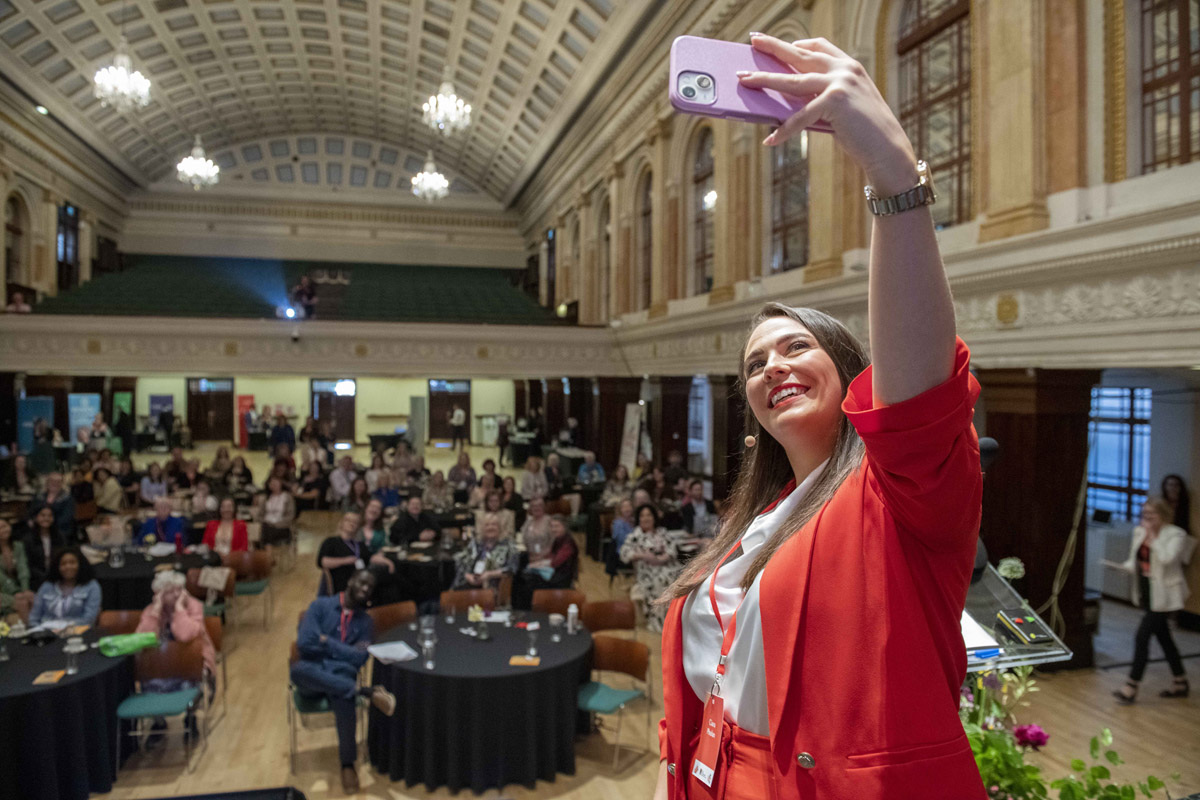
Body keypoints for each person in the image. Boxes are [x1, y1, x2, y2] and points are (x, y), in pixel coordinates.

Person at [655, 34, 986, 800]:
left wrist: (893, 175)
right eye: (754, 364)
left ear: (851, 373)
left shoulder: (896, 498)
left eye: (795, 347)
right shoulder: (762, 519)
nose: (771, 367)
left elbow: (923, 396)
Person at [290, 570, 397, 793]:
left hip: (340, 675)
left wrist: (325, 641)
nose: (365, 588)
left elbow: (360, 658)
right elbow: (304, 643)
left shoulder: (365, 621)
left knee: (343, 695)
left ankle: (347, 764)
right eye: (362, 582)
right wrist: (342, 650)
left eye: (370, 586)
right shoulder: (320, 606)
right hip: (313, 675)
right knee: (297, 670)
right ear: (350, 580)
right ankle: (364, 691)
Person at [1112, 497, 1191, 703]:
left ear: (1163, 515)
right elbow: (1134, 559)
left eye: (1150, 515)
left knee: (1142, 637)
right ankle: (1180, 681)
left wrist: (1154, 537)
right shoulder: (1139, 531)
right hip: (1146, 590)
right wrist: (1124, 567)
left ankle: (1131, 686)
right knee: (1164, 638)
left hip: (1166, 594)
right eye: (1144, 514)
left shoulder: (1176, 534)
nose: (1145, 519)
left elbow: (1167, 559)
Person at [135, 570, 216, 745]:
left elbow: (185, 635)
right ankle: (158, 722)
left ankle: (190, 718)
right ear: (159, 594)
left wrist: (179, 610)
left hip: (191, 663)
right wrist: (156, 611)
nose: (177, 594)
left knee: (192, 680)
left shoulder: (193, 606)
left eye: (180, 589)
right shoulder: (151, 611)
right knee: (147, 681)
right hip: (160, 666)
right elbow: (142, 639)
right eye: (171, 591)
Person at [620, 504, 680, 632]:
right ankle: (662, 621)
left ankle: (679, 619)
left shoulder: (662, 532)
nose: (646, 518)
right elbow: (624, 553)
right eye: (642, 516)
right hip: (647, 571)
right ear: (638, 519)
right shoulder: (635, 536)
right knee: (662, 580)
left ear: (654, 517)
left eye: (649, 515)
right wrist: (643, 555)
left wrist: (660, 559)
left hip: (667, 565)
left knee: (683, 578)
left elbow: (672, 549)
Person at [512, 515, 577, 609]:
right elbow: (549, 556)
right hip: (553, 574)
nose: (554, 529)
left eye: (557, 526)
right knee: (520, 575)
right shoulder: (557, 540)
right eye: (552, 526)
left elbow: (555, 562)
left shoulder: (568, 544)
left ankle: (525, 610)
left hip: (560, 579)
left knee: (527, 581)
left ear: (565, 527)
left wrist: (538, 565)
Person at [29, 546, 101, 627]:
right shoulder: (47, 586)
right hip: (46, 633)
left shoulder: (91, 586)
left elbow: (89, 619)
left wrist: (63, 628)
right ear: (57, 567)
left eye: (72, 563)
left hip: (77, 632)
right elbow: (34, 618)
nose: (68, 567)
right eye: (63, 564)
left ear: (80, 564)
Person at [452, 514, 518, 591]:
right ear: (482, 528)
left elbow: (512, 568)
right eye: (487, 525)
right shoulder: (475, 544)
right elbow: (460, 562)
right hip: (470, 584)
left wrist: (489, 575)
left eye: (494, 524)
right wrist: (468, 576)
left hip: (494, 586)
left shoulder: (508, 545)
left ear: (500, 528)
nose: (490, 527)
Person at [318, 512, 373, 594]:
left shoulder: (361, 545)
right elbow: (323, 562)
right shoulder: (331, 542)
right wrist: (346, 561)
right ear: (342, 523)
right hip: (341, 585)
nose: (352, 523)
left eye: (355, 522)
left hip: (360, 584)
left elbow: (370, 561)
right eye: (348, 520)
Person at [0, 520, 35, 621]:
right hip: (3, 591)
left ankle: (39, 631)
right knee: (21, 603)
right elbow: (1, 578)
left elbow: (23, 568)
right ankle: (28, 632)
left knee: (31, 597)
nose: (3, 530)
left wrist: (25, 589)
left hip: (17, 588)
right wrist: (15, 592)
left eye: (4, 526)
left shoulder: (18, 546)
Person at [23, 506, 64, 588]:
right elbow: (28, 564)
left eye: (50, 516)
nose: (46, 518)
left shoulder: (59, 536)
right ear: (36, 518)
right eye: (43, 515)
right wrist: (45, 577)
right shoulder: (28, 539)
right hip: (36, 579)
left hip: (58, 577)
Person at [33, 472, 75, 538]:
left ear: (62, 484)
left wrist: (48, 525)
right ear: (47, 482)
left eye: (58, 481)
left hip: (60, 530)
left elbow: (67, 517)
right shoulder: (39, 497)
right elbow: (33, 513)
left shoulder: (68, 498)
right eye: (52, 481)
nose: (55, 483)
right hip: (39, 530)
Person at [262, 475, 297, 547]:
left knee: (269, 531)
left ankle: (269, 551)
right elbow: (260, 515)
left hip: (282, 526)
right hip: (267, 525)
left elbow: (290, 516)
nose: (274, 484)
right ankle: (268, 551)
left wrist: (276, 524)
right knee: (266, 529)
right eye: (272, 482)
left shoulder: (287, 497)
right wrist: (266, 521)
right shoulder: (266, 498)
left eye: (276, 482)